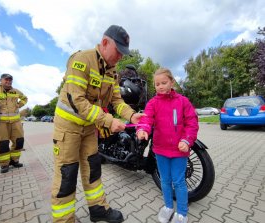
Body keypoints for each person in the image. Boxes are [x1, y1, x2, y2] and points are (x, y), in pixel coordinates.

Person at [51, 25, 144, 223]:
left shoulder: (112, 72)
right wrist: (109, 121)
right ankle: (64, 220)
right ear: (104, 43)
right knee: (67, 175)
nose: (120, 57)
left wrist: (132, 116)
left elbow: (116, 101)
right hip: (68, 128)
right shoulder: (82, 60)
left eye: (122, 53)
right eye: (118, 51)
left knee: (93, 168)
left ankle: (98, 209)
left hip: (89, 128)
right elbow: (78, 102)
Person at [136, 68, 198, 223]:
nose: (160, 86)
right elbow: (146, 118)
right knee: (164, 180)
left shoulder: (183, 101)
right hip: (161, 150)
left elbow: (192, 122)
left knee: (178, 181)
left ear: (172, 82)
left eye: (164, 83)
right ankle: (168, 207)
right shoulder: (153, 103)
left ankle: (182, 213)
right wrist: (142, 129)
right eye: (157, 84)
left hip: (179, 150)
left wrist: (186, 140)